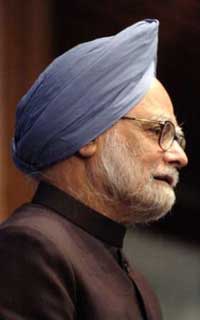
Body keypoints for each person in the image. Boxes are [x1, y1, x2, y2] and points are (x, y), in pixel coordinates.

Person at [0, 19, 188, 319]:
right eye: (158, 131)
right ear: (88, 137)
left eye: (177, 138)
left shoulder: (128, 274)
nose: (180, 156)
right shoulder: (31, 246)